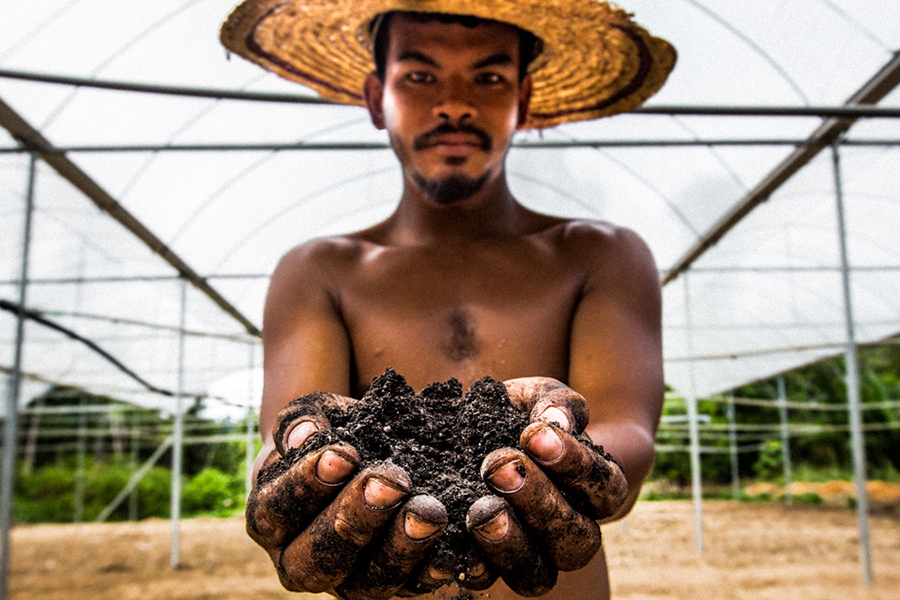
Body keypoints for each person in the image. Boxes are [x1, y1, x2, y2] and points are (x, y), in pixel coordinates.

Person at [220, 1, 676, 598]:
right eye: (420, 75)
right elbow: (287, 437)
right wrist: (292, 482)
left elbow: (627, 436)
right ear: (375, 97)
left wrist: (557, 454)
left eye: (488, 78)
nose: (455, 103)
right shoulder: (318, 272)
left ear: (525, 100)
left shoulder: (598, 256)